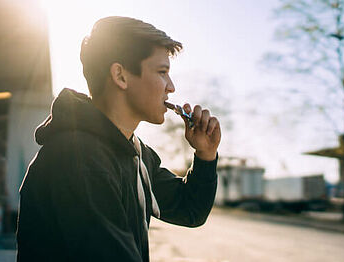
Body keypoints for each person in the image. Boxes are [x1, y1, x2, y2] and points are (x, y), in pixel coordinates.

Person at [16, 16, 221, 261]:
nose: (171, 87)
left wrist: (205, 155)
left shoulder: (135, 152)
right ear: (120, 76)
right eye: (162, 72)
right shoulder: (77, 158)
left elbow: (189, 210)